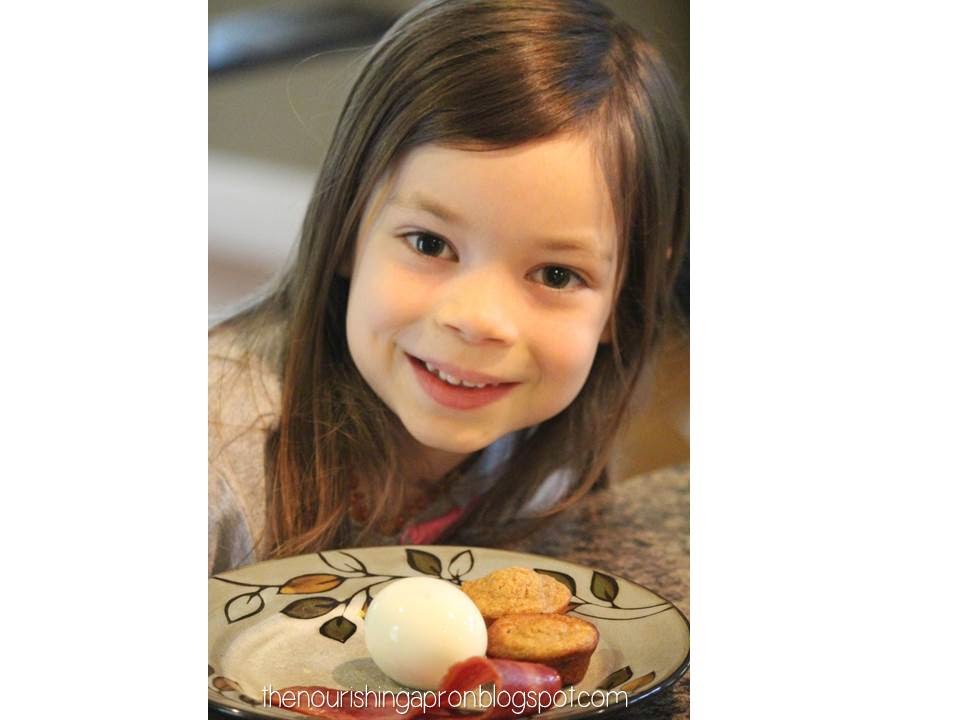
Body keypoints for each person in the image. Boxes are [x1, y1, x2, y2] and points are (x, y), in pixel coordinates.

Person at [209, 0, 688, 575]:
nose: (478, 318)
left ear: (624, 299)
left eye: (557, 275)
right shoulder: (214, 457)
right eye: (430, 244)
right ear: (344, 230)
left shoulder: (541, 460)